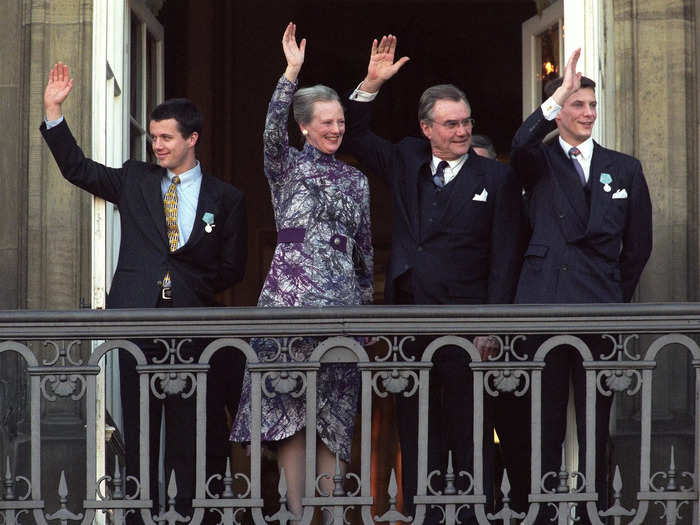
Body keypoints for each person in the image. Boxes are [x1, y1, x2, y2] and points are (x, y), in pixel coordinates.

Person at [41, 63, 247, 523]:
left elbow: (233, 267)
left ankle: (190, 514)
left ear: (192, 138)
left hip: (193, 327)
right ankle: (139, 515)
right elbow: (79, 170)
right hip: (137, 323)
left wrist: (187, 286)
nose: (157, 145)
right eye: (153, 137)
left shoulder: (226, 197)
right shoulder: (135, 179)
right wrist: (55, 113)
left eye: (166, 138)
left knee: (189, 430)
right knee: (139, 428)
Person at [341, 35, 525, 524]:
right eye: (451, 124)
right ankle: (423, 515)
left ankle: (474, 516)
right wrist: (371, 84)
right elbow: (355, 136)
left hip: (469, 322)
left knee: (470, 429)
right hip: (411, 319)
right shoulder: (405, 159)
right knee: (417, 428)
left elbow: (505, 257)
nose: (462, 131)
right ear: (427, 128)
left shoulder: (497, 179)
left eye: (466, 122)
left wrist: (493, 325)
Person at [229, 23, 373, 523]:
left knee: (333, 415)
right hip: (288, 304)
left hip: (340, 309)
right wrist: (290, 73)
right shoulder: (284, 165)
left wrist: (367, 317)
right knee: (290, 415)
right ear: (305, 127)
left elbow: (365, 254)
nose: (335, 129)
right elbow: (270, 129)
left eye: (339, 122)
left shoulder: (356, 179)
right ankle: (296, 513)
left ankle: (330, 514)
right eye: (326, 122)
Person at [511, 49, 652, 524]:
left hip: (599, 306)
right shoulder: (540, 162)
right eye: (578, 104)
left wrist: (613, 292)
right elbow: (519, 144)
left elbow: (638, 246)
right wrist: (553, 97)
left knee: (596, 419)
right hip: (545, 305)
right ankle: (545, 513)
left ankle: (596, 512)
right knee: (545, 422)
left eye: (592, 105)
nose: (588, 113)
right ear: (561, 111)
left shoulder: (624, 168)